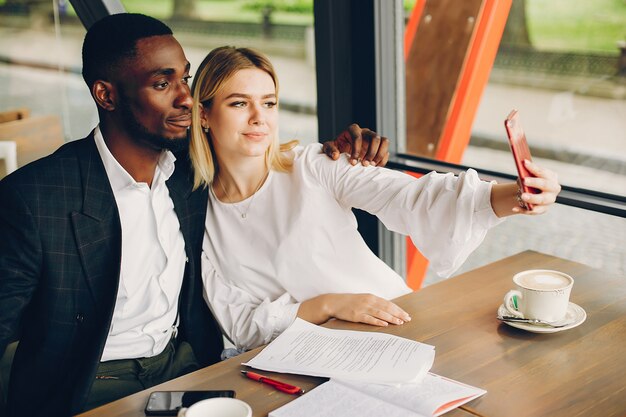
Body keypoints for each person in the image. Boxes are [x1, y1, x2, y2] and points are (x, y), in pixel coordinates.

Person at [0, 14, 384, 417]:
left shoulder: (188, 173)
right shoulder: (33, 198)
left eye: (184, 79)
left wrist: (339, 152)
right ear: (106, 95)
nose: (185, 97)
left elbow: (252, 146)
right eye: (162, 84)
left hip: (184, 371)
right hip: (92, 386)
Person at [189, 46, 562, 352]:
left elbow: (412, 197)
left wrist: (513, 195)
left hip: (393, 326)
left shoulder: (314, 165)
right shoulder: (197, 217)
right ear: (203, 114)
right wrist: (330, 305)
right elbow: (243, 326)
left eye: (268, 103)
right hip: (303, 356)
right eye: (239, 104)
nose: (259, 118)